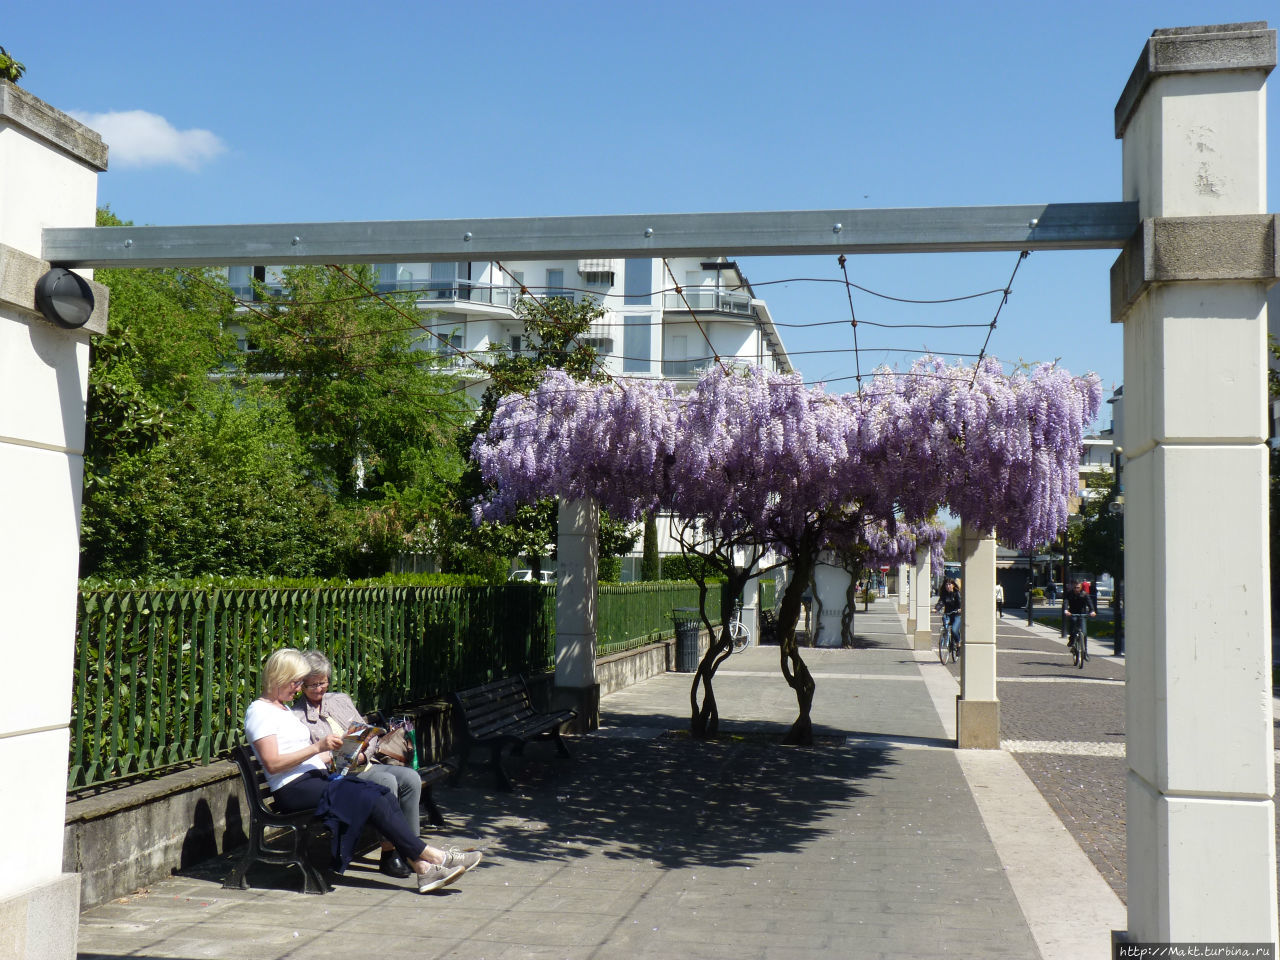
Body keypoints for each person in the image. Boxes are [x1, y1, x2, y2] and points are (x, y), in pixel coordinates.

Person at [244, 648, 473, 893]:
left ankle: (423, 868)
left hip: (315, 778)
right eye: (296, 682)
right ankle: (435, 857)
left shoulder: (282, 709)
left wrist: (338, 750)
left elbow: (303, 755)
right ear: (279, 677)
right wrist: (318, 747)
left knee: (381, 794)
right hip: (294, 789)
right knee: (372, 797)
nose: (298, 688)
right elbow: (273, 763)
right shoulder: (260, 712)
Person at [1065, 580, 1097, 659]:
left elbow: (1090, 603)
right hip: (1072, 613)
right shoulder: (1069, 594)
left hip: (1082, 614)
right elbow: (1066, 602)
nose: (1076, 589)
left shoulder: (1084, 594)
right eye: (1075, 587)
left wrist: (1092, 611)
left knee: (1084, 633)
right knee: (1072, 622)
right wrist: (1066, 610)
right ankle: (1072, 640)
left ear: (1081, 587)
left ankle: (1085, 652)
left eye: (1078, 587)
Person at [934, 578, 962, 647]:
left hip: (956, 614)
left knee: (954, 630)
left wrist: (960, 609)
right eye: (946, 584)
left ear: (953, 585)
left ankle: (958, 643)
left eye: (949, 584)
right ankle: (945, 634)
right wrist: (936, 609)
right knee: (945, 621)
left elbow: (960, 603)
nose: (948, 586)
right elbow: (941, 602)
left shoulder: (957, 593)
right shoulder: (944, 594)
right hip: (948, 614)